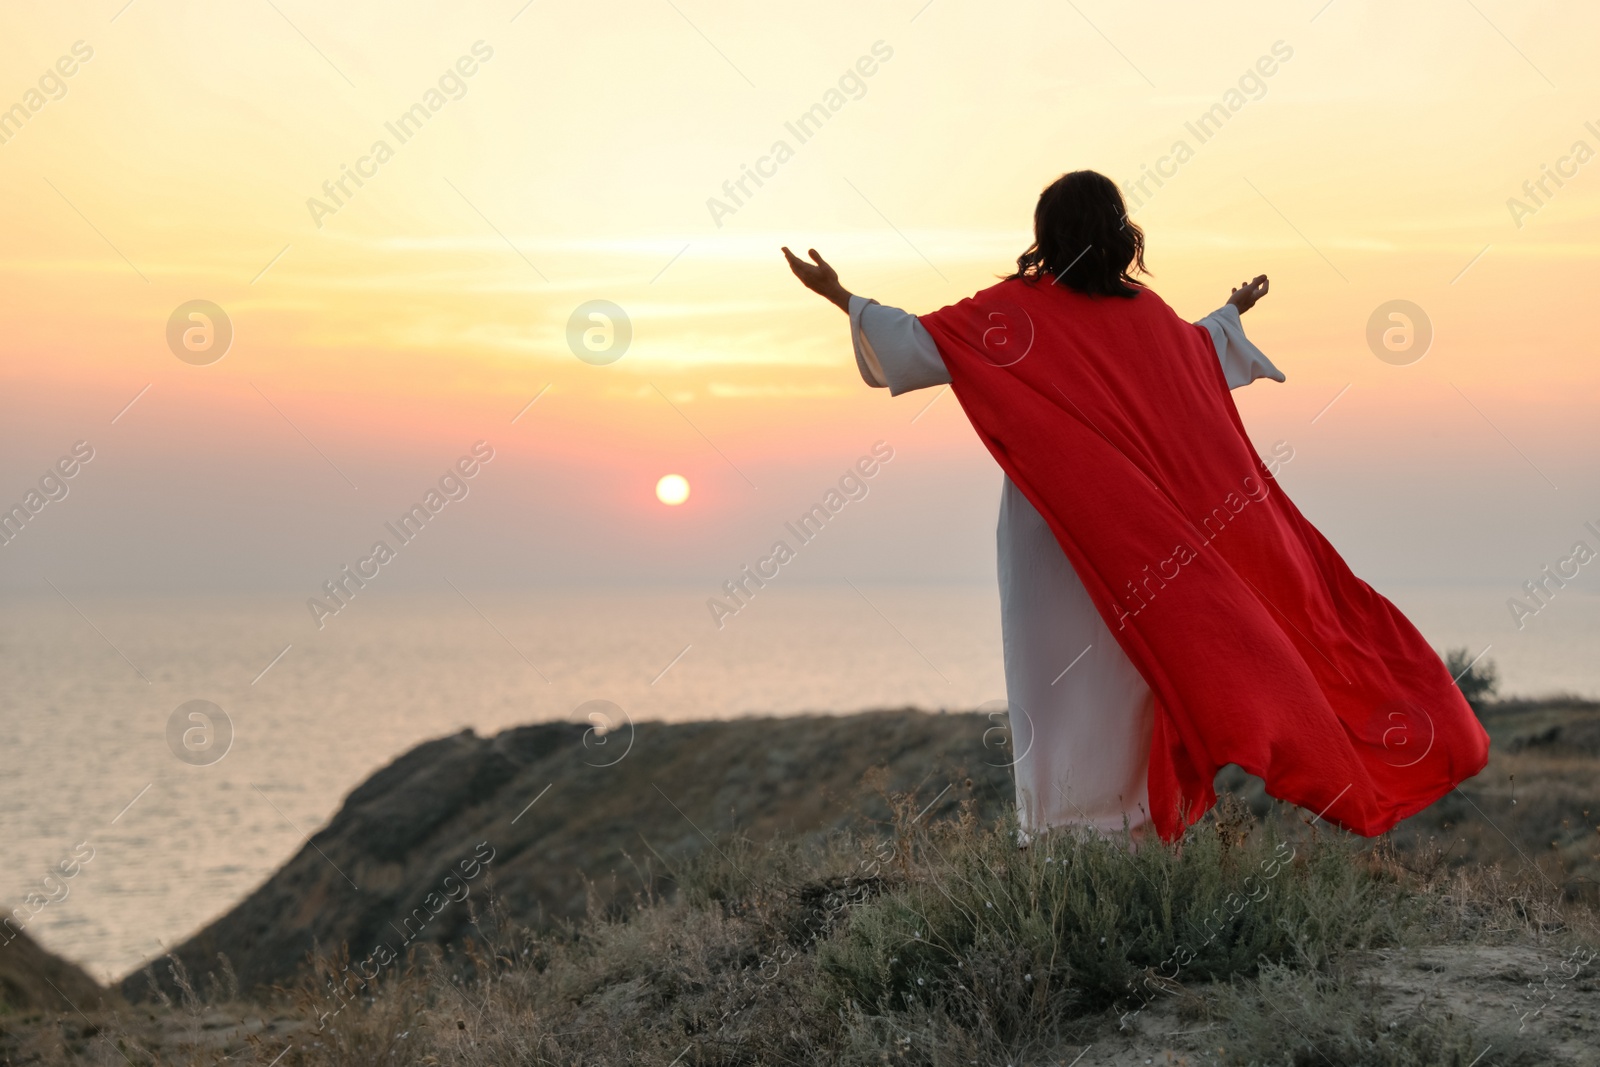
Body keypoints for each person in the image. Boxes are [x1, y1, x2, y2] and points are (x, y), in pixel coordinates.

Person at [783, 170, 1489, 843]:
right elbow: (1193, 357)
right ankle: (1133, 832)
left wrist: (842, 296)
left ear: (1045, 236)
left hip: (1051, 532)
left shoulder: (1012, 314)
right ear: (1121, 234)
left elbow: (918, 343)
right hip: (1144, 550)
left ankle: (1062, 832)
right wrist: (1229, 315)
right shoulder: (1147, 316)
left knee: (1051, 674)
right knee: (1128, 676)